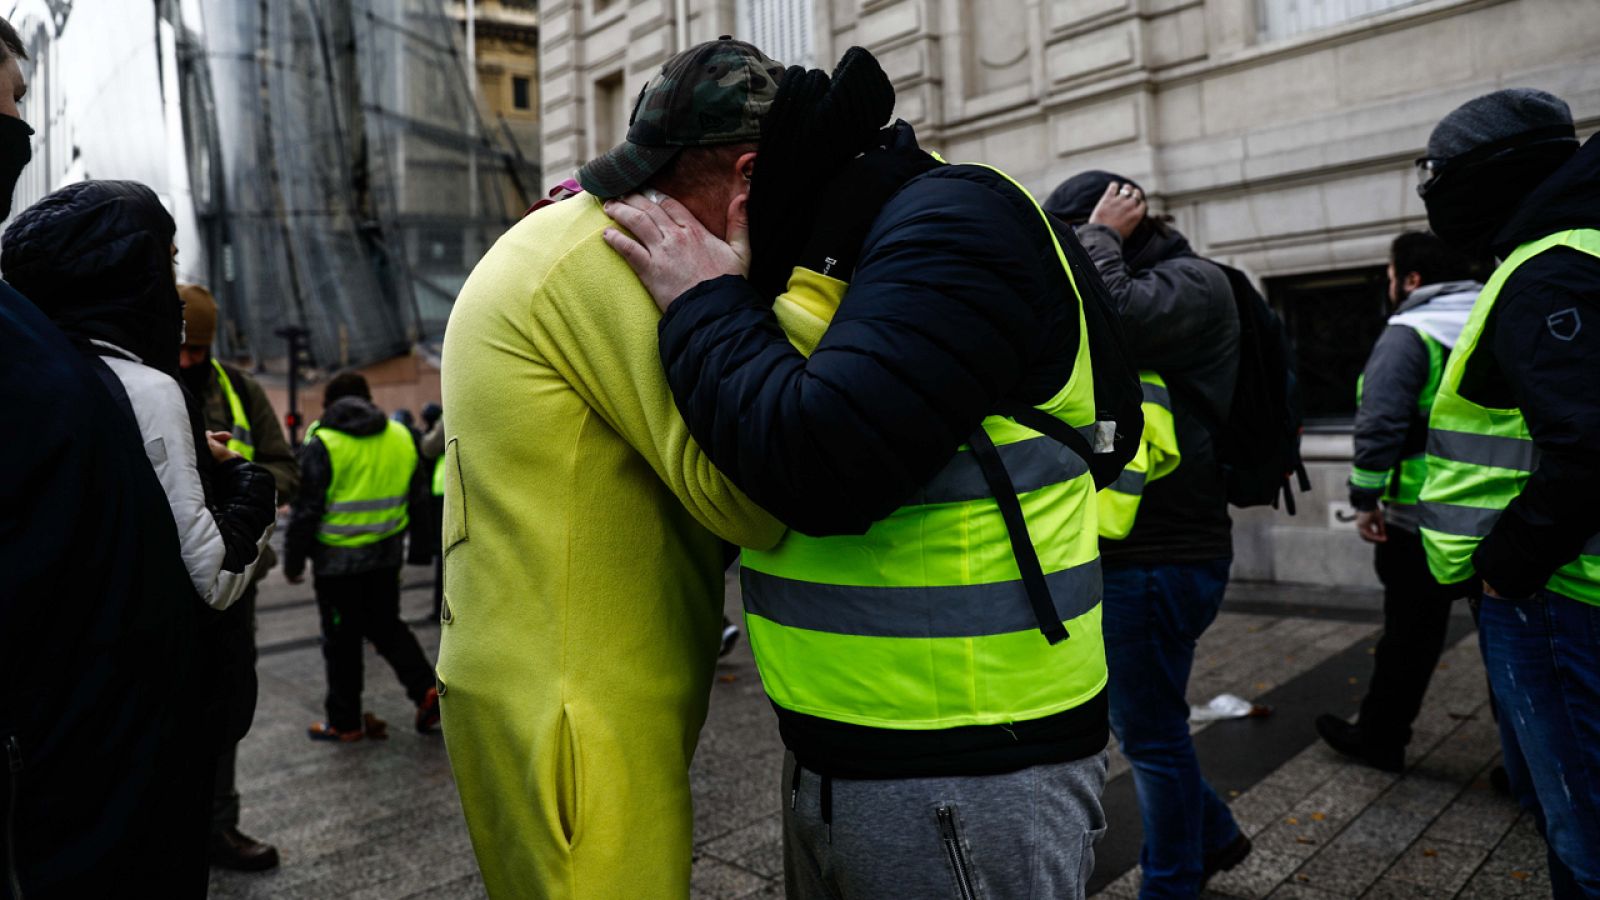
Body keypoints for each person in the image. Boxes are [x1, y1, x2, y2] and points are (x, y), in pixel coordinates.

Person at [603, 47, 1111, 899]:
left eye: (665, 204)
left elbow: (823, 464)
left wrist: (701, 303)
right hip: (848, 752)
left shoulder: (950, 223)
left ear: (746, 178)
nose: (660, 231)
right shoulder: (838, 245)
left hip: (968, 762)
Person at [438, 37, 786, 898]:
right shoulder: (622, 257)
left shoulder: (576, 232)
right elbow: (756, 494)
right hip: (574, 712)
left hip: (552, 687)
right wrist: (736, 307)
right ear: (746, 178)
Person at [4, 179, 278, 897]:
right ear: (129, 273)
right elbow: (212, 572)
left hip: (54, 733)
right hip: (140, 728)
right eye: (166, 259)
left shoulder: (41, 372)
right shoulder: (146, 388)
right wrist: (250, 488)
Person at [0, 23, 215, 897]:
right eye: (12, 98)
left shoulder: (36, 336)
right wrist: (238, 505)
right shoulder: (115, 378)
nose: (22, 128)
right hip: (84, 796)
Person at [1415, 87, 1600, 897]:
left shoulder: (1547, 270)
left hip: (1561, 598)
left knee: (1583, 833)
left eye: (1437, 175)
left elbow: (1588, 446)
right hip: (1564, 590)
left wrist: (1506, 566)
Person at [1044, 172, 1249, 896]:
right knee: (1148, 724)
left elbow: (1118, 316)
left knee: (1153, 736)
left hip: (1164, 556)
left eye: (1066, 240)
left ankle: (1171, 883)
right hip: (1142, 555)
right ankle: (1216, 835)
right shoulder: (1154, 278)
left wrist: (1095, 236)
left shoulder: (1194, 282)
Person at [1314, 234, 1479, 773]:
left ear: (1410, 279)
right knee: (1512, 644)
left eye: (1389, 275)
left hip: (1420, 518)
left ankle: (1381, 737)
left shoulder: (1411, 334)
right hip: (1508, 515)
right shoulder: (1497, 318)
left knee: (1409, 636)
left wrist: (1365, 498)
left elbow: (1381, 424)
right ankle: (1529, 768)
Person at [177, 283, 299, 871]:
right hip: (165, 573)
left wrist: (234, 472)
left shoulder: (239, 389)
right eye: (181, 348)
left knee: (224, 697)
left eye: (198, 351)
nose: (187, 361)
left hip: (233, 572)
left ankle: (219, 827)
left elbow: (284, 469)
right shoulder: (141, 384)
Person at [284, 371, 441, 743]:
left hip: (337, 566)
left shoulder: (323, 441)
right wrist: (420, 549)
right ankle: (426, 691)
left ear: (329, 406)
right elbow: (418, 498)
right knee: (388, 626)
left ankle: (345, 722)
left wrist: (293, 561)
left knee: (341, 641)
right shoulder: (401, 436)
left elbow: (307, 508)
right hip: (386, 558)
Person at [418, 402, 445, 621]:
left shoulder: (455, 407)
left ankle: (442, 608)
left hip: (447, 491)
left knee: (447, 555)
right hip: (461, 489)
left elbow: (429, 447)